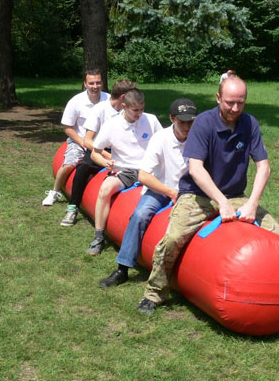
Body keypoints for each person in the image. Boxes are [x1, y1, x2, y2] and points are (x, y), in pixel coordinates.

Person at [137, 76, 279, 314]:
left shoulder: (250, 124)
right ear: (218, 98)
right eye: (230, 102)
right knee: (174, 238)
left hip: (235, 194)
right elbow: (195, 168)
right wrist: (220, 201)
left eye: (240, 102)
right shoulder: (203, 124)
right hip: (197, 194)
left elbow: (264, 166)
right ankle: (154, 293)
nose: (235, 108)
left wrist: (252, 203)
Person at [99, 98, 198, 287]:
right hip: (161, 188)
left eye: (191, 121)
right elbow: (144, 175)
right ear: (172, 119)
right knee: (139, 214)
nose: (187, 126)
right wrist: (170, 192)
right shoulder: (160, 139)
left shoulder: (199, 138)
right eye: (182, 121)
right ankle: (123, 268)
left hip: (190, 191)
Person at [88, 88, 162, 256]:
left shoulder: (151, 120)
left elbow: (163, 141)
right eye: (135, 110)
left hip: (149, 169)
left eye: (142, 109)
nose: (139, 114)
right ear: (124, 106)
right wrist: (105, 162)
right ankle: (99, 236)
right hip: (125, 170)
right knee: (105, 189)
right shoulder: (111, 125)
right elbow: (95, 151)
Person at [59, 79, 136, 226]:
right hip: (100, 149)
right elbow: (88, 140)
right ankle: (73, 207)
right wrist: (107, 156)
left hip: (122, 150)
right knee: (84, 167)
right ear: (123, 97)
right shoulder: (101, 109)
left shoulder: (130, 111)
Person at [42, 70, 108, 206]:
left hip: (103, 143)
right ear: (85, 84)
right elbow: (67, 127)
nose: (95, 86)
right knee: (69, 164)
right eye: (91, 83)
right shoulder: (76, 101)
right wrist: (82, 143)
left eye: (98, 83)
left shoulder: (109, 99)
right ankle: (54, 191)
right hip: (80, 141)